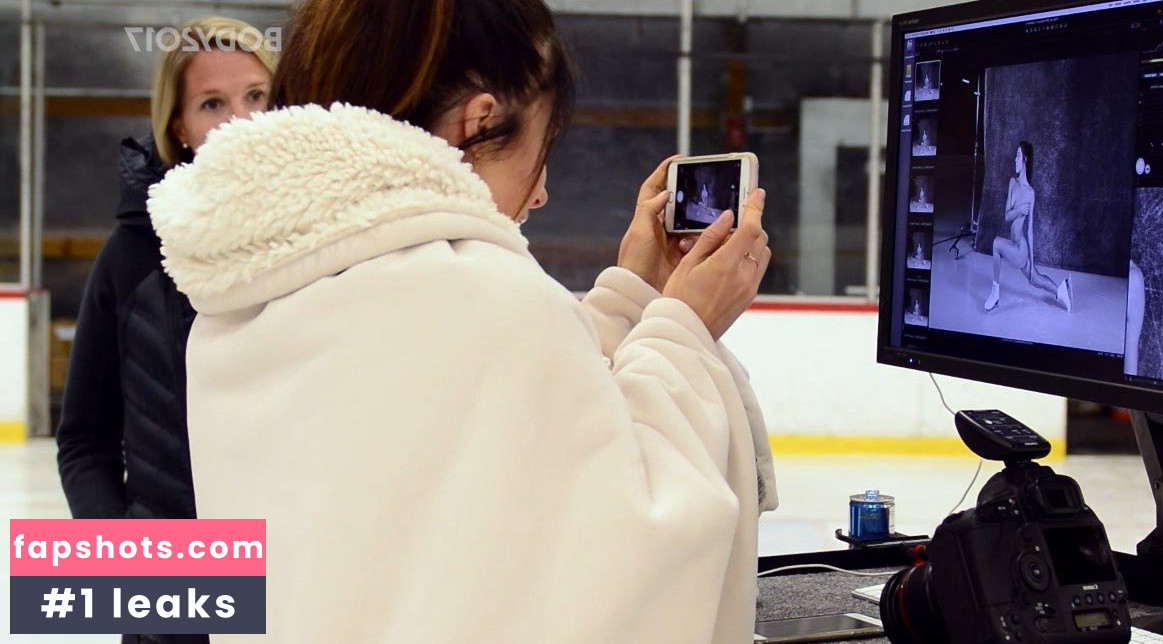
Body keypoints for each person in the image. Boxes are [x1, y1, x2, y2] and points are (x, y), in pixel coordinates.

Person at [146, 1, 777, 642]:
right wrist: (684, 330)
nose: (540, 191)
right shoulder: (484, 298)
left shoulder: (244, 306)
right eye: (542, 144)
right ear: (479, 122)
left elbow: (474, 484)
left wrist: (629, 299)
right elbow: (622, 568)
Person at [54, 16, 276, 644]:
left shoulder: (328, 243)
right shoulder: (131, 257)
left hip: (298, 585)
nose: (242, 121)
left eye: (256, 96)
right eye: (213, 104)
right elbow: (84, 441)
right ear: (179, 127)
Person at [983, 141, 1072, 312]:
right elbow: (1006, 217)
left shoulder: (1030, 193)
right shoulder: (1012, 183)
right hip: (1015, 245)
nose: (1014, 160)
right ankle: (1062, 291)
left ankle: (995, 294)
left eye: (1018, 156)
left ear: (1025, 159)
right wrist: (1019, 210)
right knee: (1036, 280)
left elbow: (1029, 231)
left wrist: (1033, 262)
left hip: (1020, 248)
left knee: (996, 244)